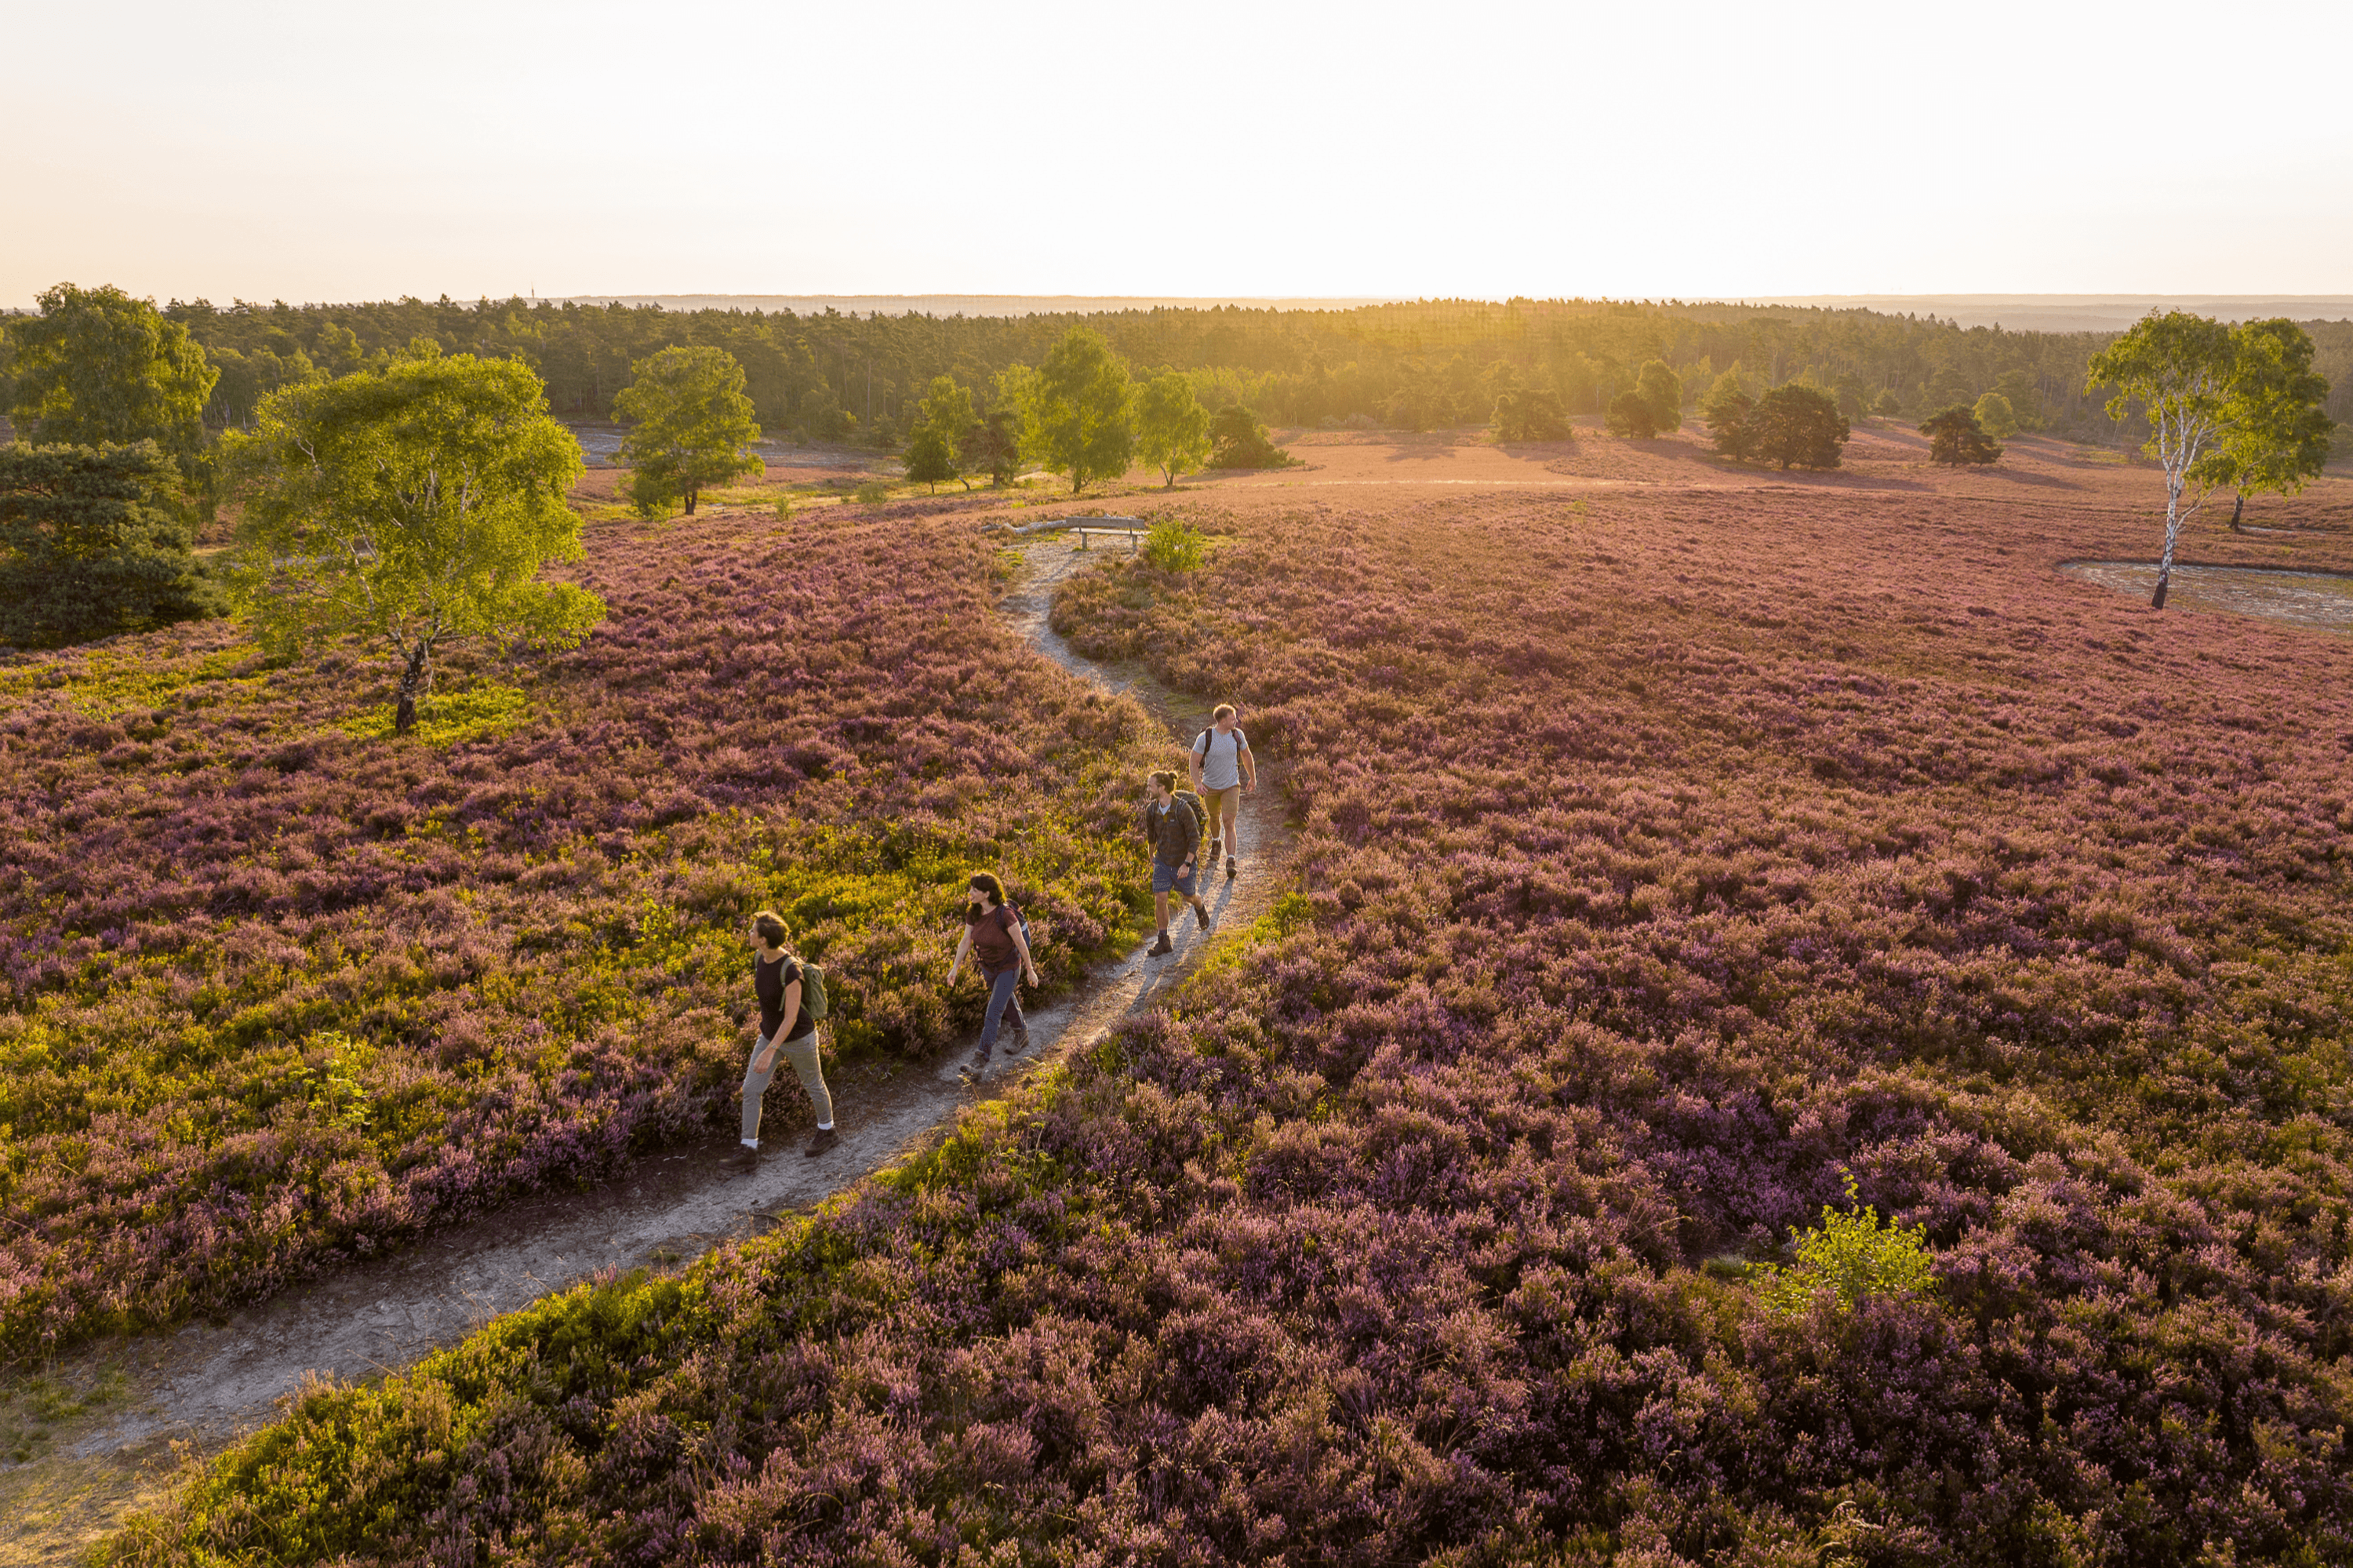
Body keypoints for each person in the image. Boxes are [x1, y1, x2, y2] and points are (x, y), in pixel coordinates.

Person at [740, 911, 837, 1161]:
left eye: (753, 931)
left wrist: (770, 1050)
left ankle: (828, 1131)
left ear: (763, 939)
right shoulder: (759, 958)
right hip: (770, 1037)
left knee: (813, 1084)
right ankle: (748, 1149)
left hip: (799, 1039)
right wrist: (769, 1041)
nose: (749, 933)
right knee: (751, 1089)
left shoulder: (791, 970)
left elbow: (791, 1017)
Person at [947, 871, 1039, 1084]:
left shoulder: (1005, 914)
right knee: (1005, 999)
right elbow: (965, 941)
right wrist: (954, 968)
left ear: (987, 894)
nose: (970, 893)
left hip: (1009, 968)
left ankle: (980, 1060)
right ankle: (1021, 1033)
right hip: (988, 968)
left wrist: (1030, 969)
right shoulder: (974, 913)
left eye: (975, 890)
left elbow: (1020, 943)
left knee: (993, 1011)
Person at [1143, 769, 1210, 956]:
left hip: (1183, 861)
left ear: (1161, 788)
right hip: (1163, 861)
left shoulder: (1183, 809)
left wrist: (1187, 864)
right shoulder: (1151, 810)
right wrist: (1151, 856)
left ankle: (1199, 906)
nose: (1147, 789)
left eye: (1150, 786)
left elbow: (1195, 839)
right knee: (1160, 898)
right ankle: (1163, 940)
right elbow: (1151, 836)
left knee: (1189, 896)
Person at [1187, 703, 1256, 880]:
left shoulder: (1237, 735)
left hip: (1231, 785)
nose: (1236, 721)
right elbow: (1193, 762)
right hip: (1210, 786)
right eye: (1233, 719)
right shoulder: (1205, 737)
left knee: (1229, 821)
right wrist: (1197, 783)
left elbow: (1246, 756)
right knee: (1214, 817)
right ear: (1223, 720)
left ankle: (1231, 860)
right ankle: (1216, 841)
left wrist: (1252, 778)